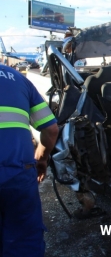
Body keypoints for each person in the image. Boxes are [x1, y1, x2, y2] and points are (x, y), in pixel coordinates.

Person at [0, 64, 59, 256]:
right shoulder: (16, 77)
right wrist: (41, 160)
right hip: (18, 173)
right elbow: (51, 129)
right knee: (24, 239)